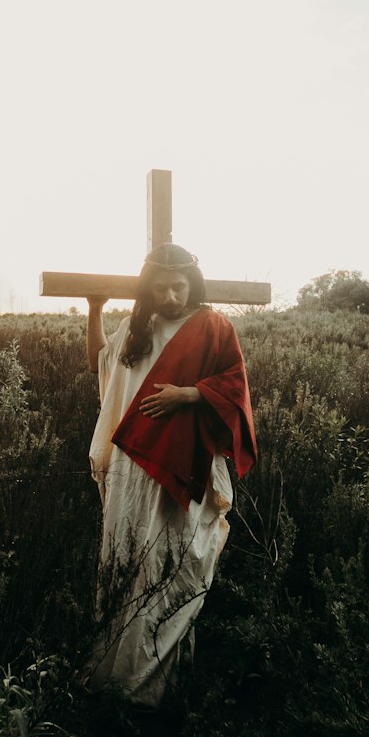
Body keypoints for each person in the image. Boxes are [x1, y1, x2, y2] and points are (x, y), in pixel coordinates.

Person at [85, 243, 257, 708]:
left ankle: (161, 687)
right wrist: (95, 309)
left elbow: (235, 386)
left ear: (192, 285)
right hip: (131, 471)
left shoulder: (213, 327)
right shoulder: (134, 329)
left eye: (179, 287)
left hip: (187, 468)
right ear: (148, 288)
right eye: (160, 288)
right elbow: (103, 366)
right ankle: (116, 682)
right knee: (127, 563)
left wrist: (189, 394)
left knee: (176, 565)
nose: (171, 296)